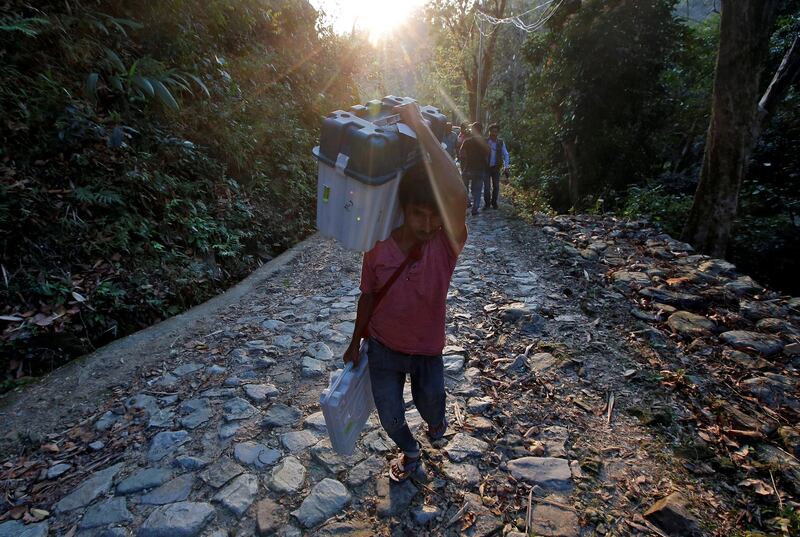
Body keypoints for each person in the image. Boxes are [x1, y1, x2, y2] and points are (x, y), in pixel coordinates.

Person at [343, 102, 468, 483]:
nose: (429, 224)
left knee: (432, 408)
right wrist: (354, 340)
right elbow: (367, 295)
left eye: (434, 215)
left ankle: (435, 424)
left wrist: (422, 129)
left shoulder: (446, 246)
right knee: (391, 416)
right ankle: (409, 450)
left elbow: (458, 196)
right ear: (403, 209)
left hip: (428, 351)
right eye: (419, 214)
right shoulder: (378, 246)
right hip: (383, 348)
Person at [459, 122, 490, 215]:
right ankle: (475, 208)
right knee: (478, 189)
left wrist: (465, 163)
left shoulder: (467, 141)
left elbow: (462, 154)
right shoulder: (485, 142)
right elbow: (488, 154)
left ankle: (468, 202)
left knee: (464, 187)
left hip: (468, 168)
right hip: (480, 168)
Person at [485, 123, 510, 209]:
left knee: (496, 186)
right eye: (492, 131)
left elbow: (506, 154)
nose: (494, 133)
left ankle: (494, 202)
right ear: (489, 132)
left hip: (496, 167)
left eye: (496, 132)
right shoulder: (485, 141)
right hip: (486, 167)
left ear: (498, 133)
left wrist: (506, 167)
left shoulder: (500, 142)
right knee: (487, 187)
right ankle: (487, 204)